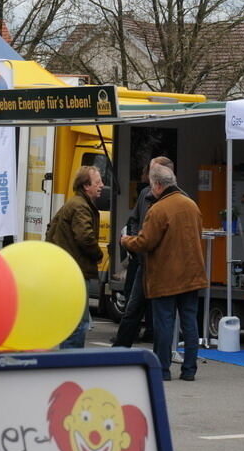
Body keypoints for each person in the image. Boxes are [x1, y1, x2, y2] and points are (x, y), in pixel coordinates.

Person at [121, 165, 207, 381]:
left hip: (166, 276)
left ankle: (162, 370)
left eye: (152, 186)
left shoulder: (158, 210)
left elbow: (145, 242)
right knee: (189, 323)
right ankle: (189, 370)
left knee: (164, 323)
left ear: (158, 185)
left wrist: (126, 241)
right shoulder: (192, 205)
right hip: (192, 274)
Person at [113, 156, 176, 348]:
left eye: (154, 172)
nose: (150, 176)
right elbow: (134, 220)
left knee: (159, 311)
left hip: (160, 264)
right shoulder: (144, 194)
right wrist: (133, 242)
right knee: (133, 307)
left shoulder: (174, 200)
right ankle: (121, 347)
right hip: (141, 261)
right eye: (150, 172)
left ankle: (159, 349)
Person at [47, 166, 104, 349]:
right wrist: (98, 253)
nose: (102, 185)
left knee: (71, 320)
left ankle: (67, 360)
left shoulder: (74, 203)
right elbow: (85, 237)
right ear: (86, 186)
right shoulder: (81, 206)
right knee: (78, 322)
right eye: (98, 182)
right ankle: (72, 362)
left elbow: (51, 229)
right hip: (77, 271)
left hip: (68, 269)